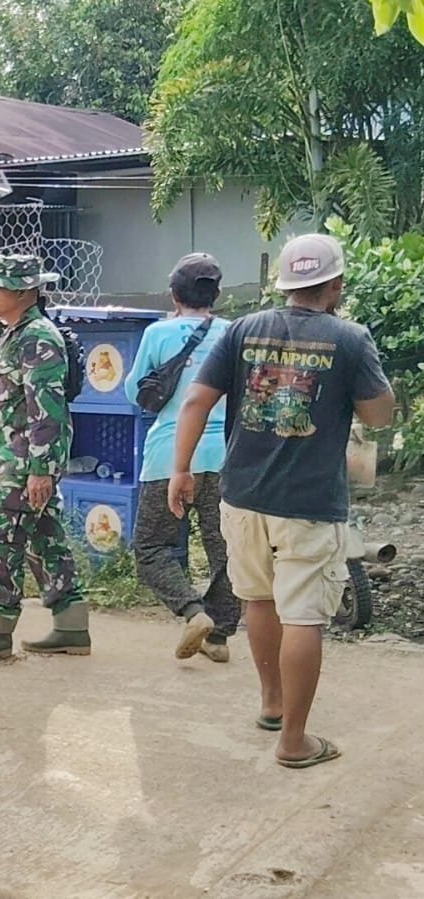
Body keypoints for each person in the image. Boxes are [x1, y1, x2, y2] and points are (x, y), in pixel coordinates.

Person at [172, 233, 393, 769]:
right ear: (336, 285)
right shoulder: (350, 338)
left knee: (260, 600)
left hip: (243, 496)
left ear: (285, 285)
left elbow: (196, 400)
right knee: (304, 617)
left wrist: (180, 470)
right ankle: (294, 741)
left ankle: (272, 704)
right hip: (310, 504)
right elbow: (377, 416)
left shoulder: (243, 330)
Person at [0, 254, 91, 662]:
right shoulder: (22, 334)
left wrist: (40, 470)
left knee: (5, 537)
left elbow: (46, 409)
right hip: (22, 460)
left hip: (27, 462)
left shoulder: (37, 337)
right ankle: (71, 625)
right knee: (45, 537)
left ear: (22, 291)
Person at [125, 255, 237, 662]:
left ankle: (193, 612)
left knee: (152, 546)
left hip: (169, 456)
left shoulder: (158, 333)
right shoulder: (233, 333)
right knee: (228, 551)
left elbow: (134, 392)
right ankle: (218, 637)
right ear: (216, 294)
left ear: (173, 294)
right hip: (226, 455)